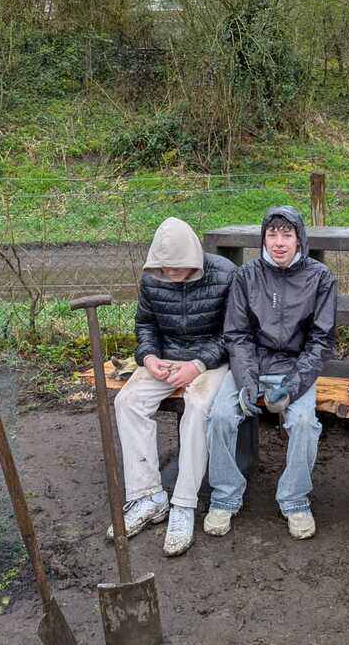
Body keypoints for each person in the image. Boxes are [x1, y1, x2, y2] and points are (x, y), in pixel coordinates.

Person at [205, 206, 337, 540]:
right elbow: (237, 335)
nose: (279, 242)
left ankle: (294, 499)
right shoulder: (246, 275)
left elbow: (321, 341)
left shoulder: (320, 277)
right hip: (251, 364)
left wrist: (293, 387)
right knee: (220, 415)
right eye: (272, 234)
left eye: (287, 234)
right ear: (263, 238)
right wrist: (247, 382)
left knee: (305, 423)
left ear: (299, 238)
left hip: (296, 368)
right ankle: (225, 495)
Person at [110, 217, 236, 557]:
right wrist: (148, 357)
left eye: (178, 269)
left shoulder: (224, 274)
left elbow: (235, 334)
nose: (170, 275)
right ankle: (147, 496)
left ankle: (183, 504)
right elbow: (146, 325)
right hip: (166, 359)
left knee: (197, 406)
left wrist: (197, 365)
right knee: (128, 401)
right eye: (165, 269)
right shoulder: (153, 279)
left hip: (209, 361)